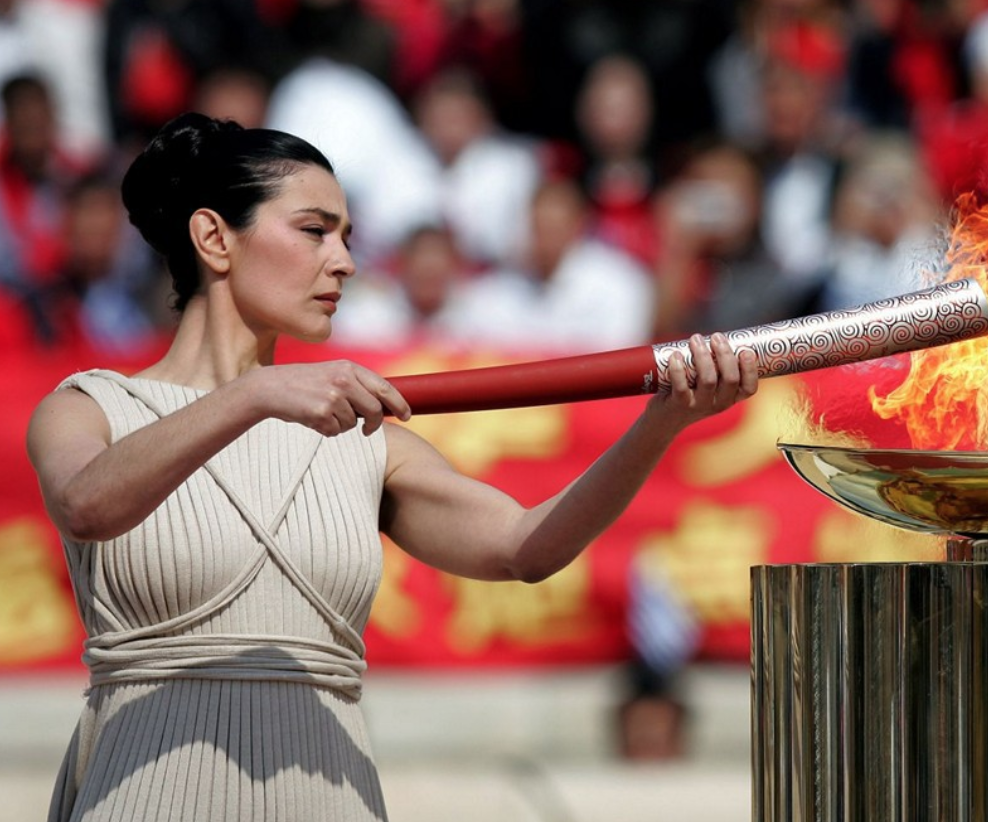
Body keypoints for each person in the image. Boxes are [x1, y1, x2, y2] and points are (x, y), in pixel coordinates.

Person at [25, 112, 758, 822]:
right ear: (215, 238)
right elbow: (89, 505)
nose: (342, 261)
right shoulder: (89, 408)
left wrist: (662, 423)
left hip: (330, 794)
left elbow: (525, 546)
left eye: (346, 237)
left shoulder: (363, 437)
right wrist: (251, 396)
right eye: (314, 231)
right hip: (145, 794)